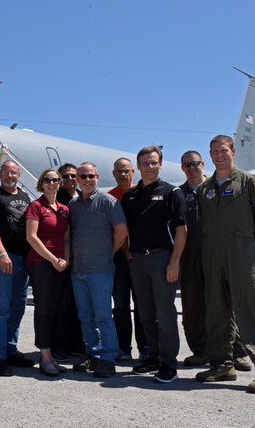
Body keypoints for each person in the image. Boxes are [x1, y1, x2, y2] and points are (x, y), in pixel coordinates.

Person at [195, 135, 255, 394]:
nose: (219, 155)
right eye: (214, 152)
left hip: (240, 254)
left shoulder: (250, 183)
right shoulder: (205, 189)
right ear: (209, 155)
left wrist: (246, 246)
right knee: (216, 311)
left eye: (223, 151)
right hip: (213, 256)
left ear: (232, 151)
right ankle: (222, 365)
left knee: (248, 310)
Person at [178, 150, 252, 371]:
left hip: (216, 255)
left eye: (195, 163)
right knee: (192, 307)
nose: (191, 168)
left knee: (223, 306)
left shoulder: (214, 188)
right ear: (182, 168)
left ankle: (236, 352)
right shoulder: (178, 194)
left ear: (203, 164)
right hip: (189, 256)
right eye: (187, 165)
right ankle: (200, 351)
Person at [121, 146, 187, 384]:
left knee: (165, 313)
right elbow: (123, 228)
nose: (149, 167)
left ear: (160, 165)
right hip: (138, 260)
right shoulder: (130, 196)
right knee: (145, 314)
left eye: (153, 163)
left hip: (162, 259)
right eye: (145, 163)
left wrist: (174, 261)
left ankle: (170, 363)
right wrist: (127, 251)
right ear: (137, 167)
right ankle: (154, 358)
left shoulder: (172, 193)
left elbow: (182, 230)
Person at [68, 162, 127, 378]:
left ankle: (108, 358)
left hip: (100, 270)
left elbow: (121, 230)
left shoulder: (108, 202)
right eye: (82, 176)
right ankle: (93, 355)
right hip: (78, 271)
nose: (86, 179)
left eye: (90, 176)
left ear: (97, 177)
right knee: (85, 316)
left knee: (103, 316)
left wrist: (109, 251)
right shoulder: (74, 205)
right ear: (77, 179)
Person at [0, 160, 35, 376]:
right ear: (0, 174)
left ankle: (10, 349)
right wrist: (2, 253)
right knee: (2, 308)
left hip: (22, 259)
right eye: (6, 172)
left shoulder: (24, 196)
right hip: (3, 258)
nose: (10, 175)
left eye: (13, 172)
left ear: (19, 175)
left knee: (18, 307)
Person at [26, 168, 70, 377]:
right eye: (48, 180)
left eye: (56, 180)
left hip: (60, 265)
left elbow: (67, 238)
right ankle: (44, 357)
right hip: (41, 264)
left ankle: (51, 354)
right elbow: (32, 237)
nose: (52, 183)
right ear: (42, 184)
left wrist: (66, 261)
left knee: (55, 310)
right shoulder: (36, 206)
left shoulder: (63, 209)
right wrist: (53, 260)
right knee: (43, 310)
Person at [107, 158, 148, 361]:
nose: (123, 174)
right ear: (114, 174)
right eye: (119, 171)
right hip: (118, 259)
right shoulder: (109, 197)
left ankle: (145, 347)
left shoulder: (140, 194)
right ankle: (123, 348)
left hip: (138, 257)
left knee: (142, 304)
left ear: (133, 172)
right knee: (121, 304)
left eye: (126, 171)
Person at [52, 163, 85, 362]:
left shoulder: (83, 197)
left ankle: (77, 344)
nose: (71, 179)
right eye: (66, 176)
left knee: (78, 304)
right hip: (62, 258)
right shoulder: (58, 200)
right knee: (60, 303)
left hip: (81, 258)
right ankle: (59, 345)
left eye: (74, 175)